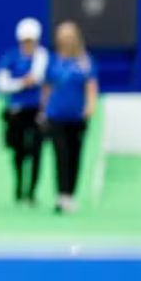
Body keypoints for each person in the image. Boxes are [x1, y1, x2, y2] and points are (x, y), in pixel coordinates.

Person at [42, 21, 99, 214]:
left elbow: (91, 86)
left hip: (77, 116)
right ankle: (61, 194)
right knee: (60, 155)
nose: (65, 39)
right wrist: (44, 109)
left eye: (68, 35)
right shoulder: (54, 61)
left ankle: (71, 194)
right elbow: (47, 87)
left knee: (75, 155)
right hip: (56, 115)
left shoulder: (84, 62)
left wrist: (90, 106)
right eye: (61, 35)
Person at [0, 18, 49, 205]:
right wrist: (21, 83)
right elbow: (1, 85)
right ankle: (19, 184)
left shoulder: (43, 57)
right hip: (16, 111)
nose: (28, 44)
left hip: (37, 111)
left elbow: (44, 80)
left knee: (36, 150)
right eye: (25, 40)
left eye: (31, 40)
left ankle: (32, 191)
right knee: (18, 150)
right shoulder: (11, 57)